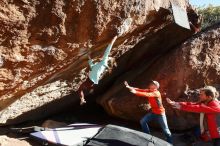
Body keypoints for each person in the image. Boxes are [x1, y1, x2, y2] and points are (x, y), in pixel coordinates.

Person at [79, 36, 118, 105]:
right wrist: (88, 55)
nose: (105, 57)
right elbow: (91, 65)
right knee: (81, 89)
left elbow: (108, 50)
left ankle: (85, 97)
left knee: (81, 89)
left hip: (91, 80)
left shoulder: (104, 61)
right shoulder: (102, 65)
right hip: (92, 81)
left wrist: (114, 39)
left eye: (109, 57)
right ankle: (84, 97)